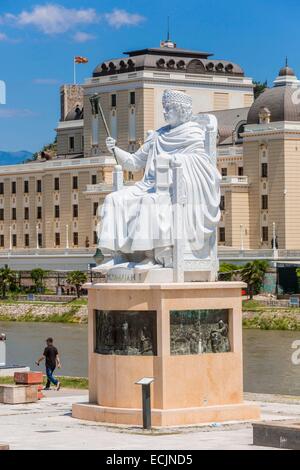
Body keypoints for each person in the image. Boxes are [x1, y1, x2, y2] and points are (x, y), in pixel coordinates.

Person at [98, 89, 221, 271]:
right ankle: (118, 255)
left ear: (181, 110)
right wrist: (115, 149)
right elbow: (133, 163)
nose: (164, 112)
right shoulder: (157, 135)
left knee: (150, 201)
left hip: (175, 187)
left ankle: (150, 256)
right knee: (113, 199)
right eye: (164, 108)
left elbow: (201, 164)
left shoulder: (193, 133)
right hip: (149, 185)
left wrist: (173, 162)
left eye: (168, 109)